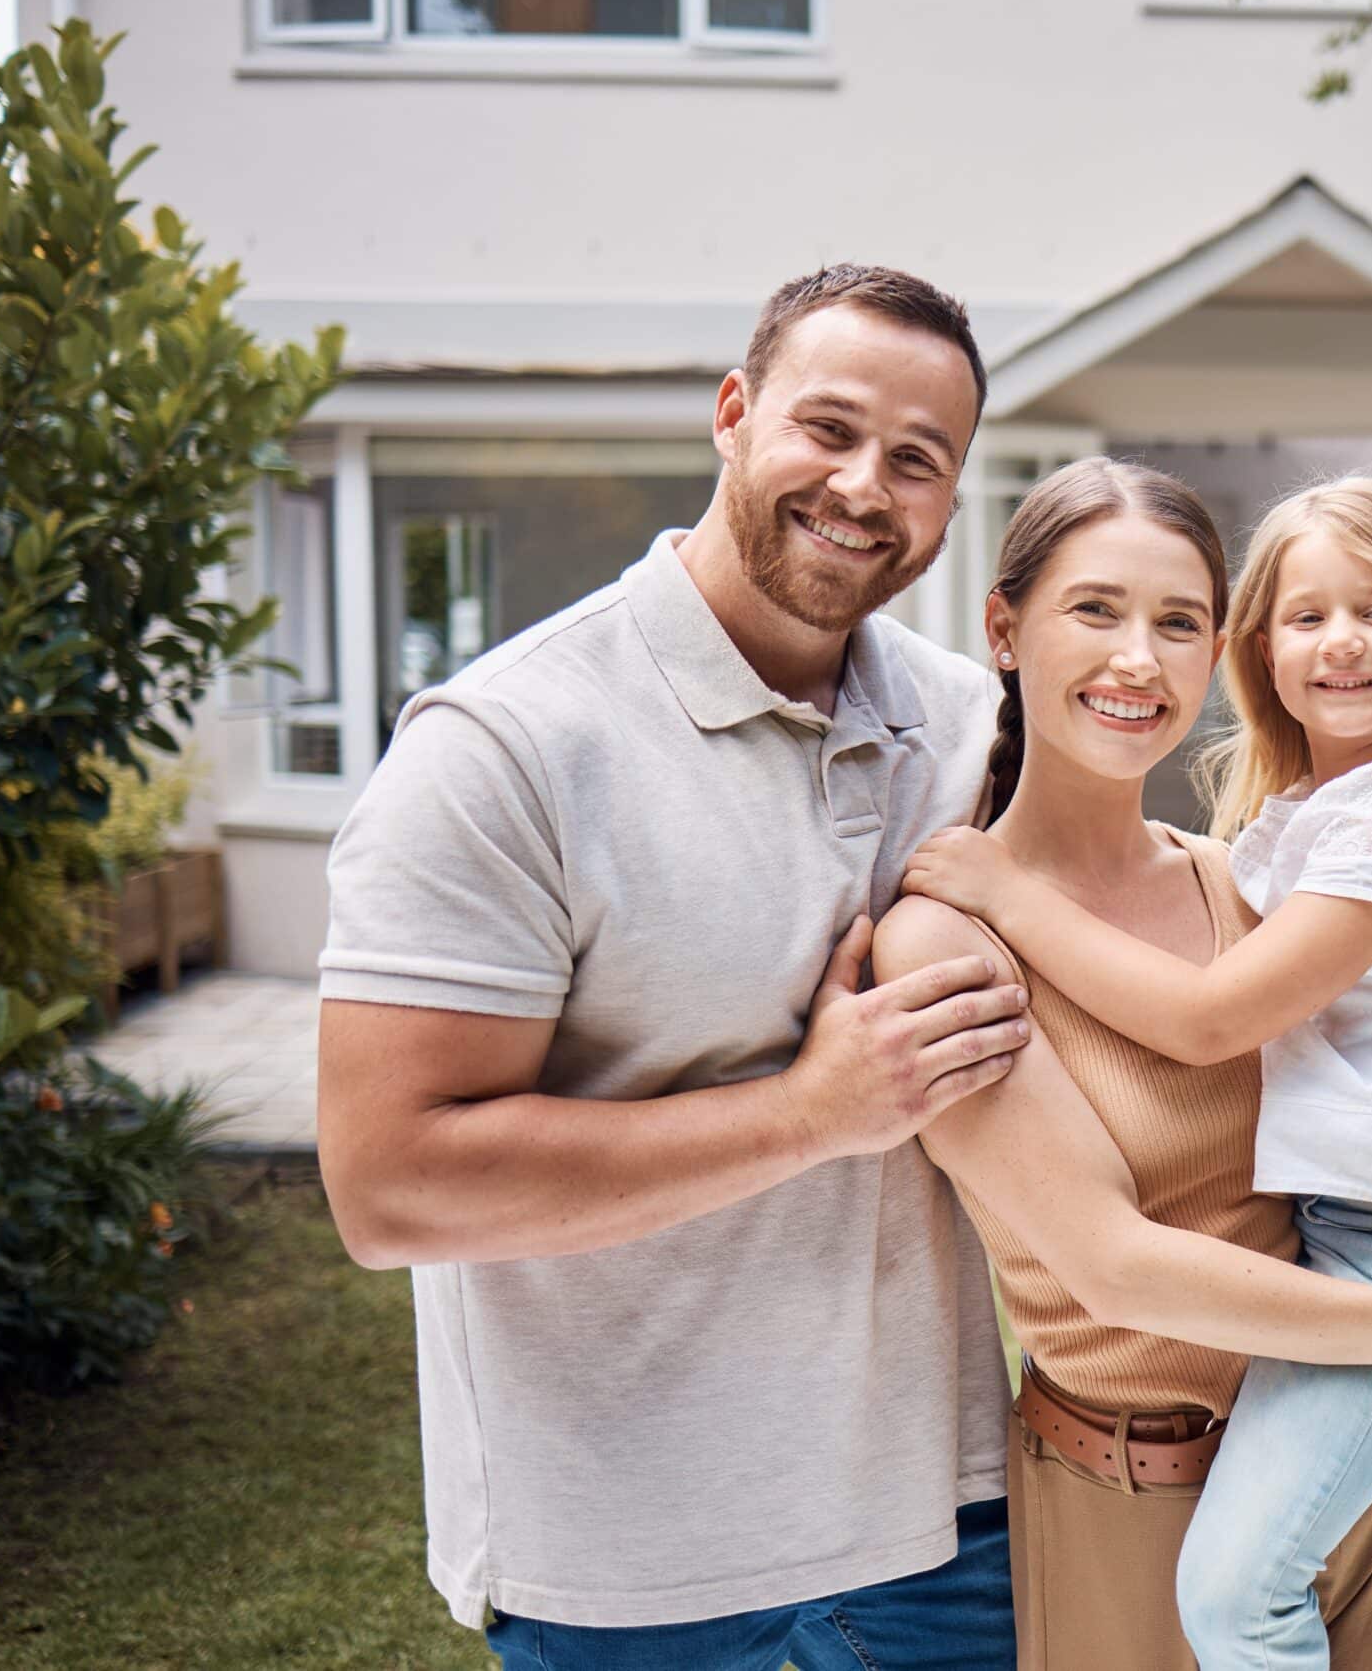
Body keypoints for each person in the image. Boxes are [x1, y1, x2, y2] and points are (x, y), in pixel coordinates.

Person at [316, 264, 1038, 1668]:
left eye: (915, 459)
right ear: (732, 414)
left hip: (947, 1534)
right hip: (635, 1571)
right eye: (826, 430)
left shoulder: (971, 731)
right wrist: (811, 1113)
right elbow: (389, 1184)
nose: (862, 487)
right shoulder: (507, 747)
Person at [872, 459, 1372, 1671]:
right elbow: (1113, 1267)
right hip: (1133, 1500)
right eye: (1095, 610)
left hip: (1353, 1458)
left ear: (1215, 654)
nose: (1139, 659)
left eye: (1179, 621)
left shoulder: (1236, 876)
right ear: (1004, 629)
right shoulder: (947, 931)